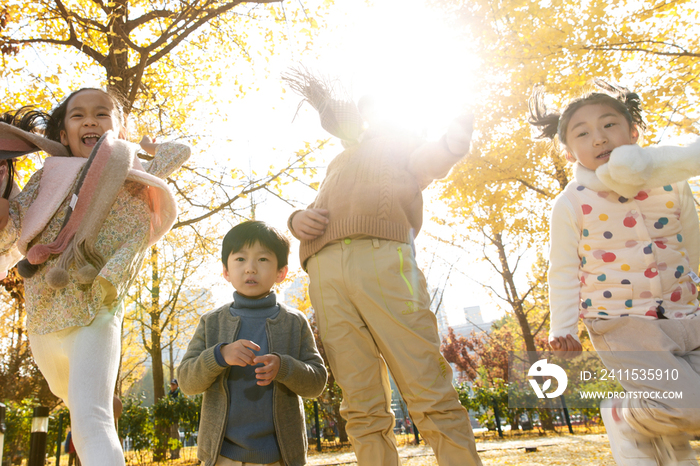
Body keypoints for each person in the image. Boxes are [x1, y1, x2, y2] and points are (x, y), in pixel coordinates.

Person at [283, 69, 482, 466]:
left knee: (426, 384)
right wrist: (295, 219)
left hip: (384, 262)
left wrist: (452, 143)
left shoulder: (406, 144)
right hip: (324, 272)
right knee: (360, 402)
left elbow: (431, 161)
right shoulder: (341, 158)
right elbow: (322, 203)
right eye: (369, 113)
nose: (374, 119)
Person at [0, 88, 190, 466]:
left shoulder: (129, 169)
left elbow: (179, 152)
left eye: (102, 114)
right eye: (78, 116)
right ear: (63, 135)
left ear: (119, 130)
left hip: (95, 308)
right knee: (63, 390)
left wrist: (149, 147)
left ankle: (95, 402)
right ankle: (90, 394)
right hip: (43, 316)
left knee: (90, 418)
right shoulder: (45, 178)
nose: (90, 120)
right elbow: (13, 230)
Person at [530, 80, 700, 465]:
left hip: (687, 316)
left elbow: (694, 244)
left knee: (688, 406)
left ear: (634, 132)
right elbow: (563, 270)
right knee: (686, 406)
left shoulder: (672, 184)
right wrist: (564, 329)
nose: (599, 138)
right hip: (622, 323)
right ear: (570, 151)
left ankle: (667, 444)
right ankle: (623, 415)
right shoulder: (571, 202)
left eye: (609, 125)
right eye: (583, 133)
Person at [178, 220, 327, 466]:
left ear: (281, 272)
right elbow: (186, 381)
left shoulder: (294, 322)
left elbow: (317, 382)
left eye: (263, 259)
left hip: (281, 457)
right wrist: (219, 356)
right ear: (225, 271)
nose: (250, 268)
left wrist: (284, 367)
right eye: (240, 259)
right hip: (222, 456)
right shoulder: (211, 322)